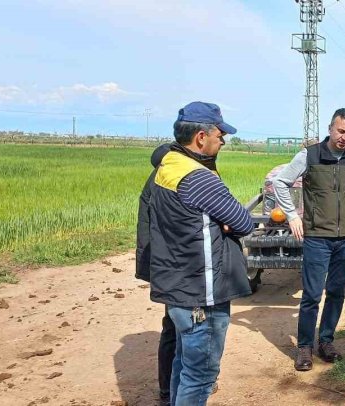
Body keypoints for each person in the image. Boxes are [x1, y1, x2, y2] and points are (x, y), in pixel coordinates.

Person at [138, 101, 254, 405]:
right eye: (219, 133)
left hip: (177, 288)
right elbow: (243, 222)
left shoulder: (167, 167)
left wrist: (218, 222)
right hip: (202, 297)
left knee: (182, 364)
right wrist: (224, 224)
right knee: (200, 374)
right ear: (201, 137)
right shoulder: (198, 177)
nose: (223, 139)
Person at [272, 108, 345, 372]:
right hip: (317, 237)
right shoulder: (310, 155)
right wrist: (292, 215)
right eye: (341, 131)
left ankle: (326, 340)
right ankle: (304, 347)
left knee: (336, 292)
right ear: (330, 128)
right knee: (312, 295)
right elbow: (282, 183)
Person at [135, 143, 174, 405]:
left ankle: (167, 390)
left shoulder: (157, 179)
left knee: (172, 326)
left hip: (166, 267)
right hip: (177, 268)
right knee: (180, 328)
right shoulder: (169, 181)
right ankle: (173, 389)